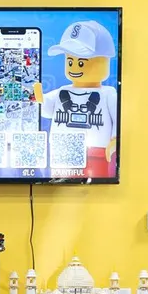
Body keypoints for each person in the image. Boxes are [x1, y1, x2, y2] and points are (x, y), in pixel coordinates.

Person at [43, 18, 119, 177]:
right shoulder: (62, 92)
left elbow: (118, 118)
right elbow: (47, 110)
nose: (74, 68)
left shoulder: (108, 94)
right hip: (62, 152)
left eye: (81, 63)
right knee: (59, 186)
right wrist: (35, 97)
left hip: (97, 153)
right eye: (70, 62)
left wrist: (114, 139)